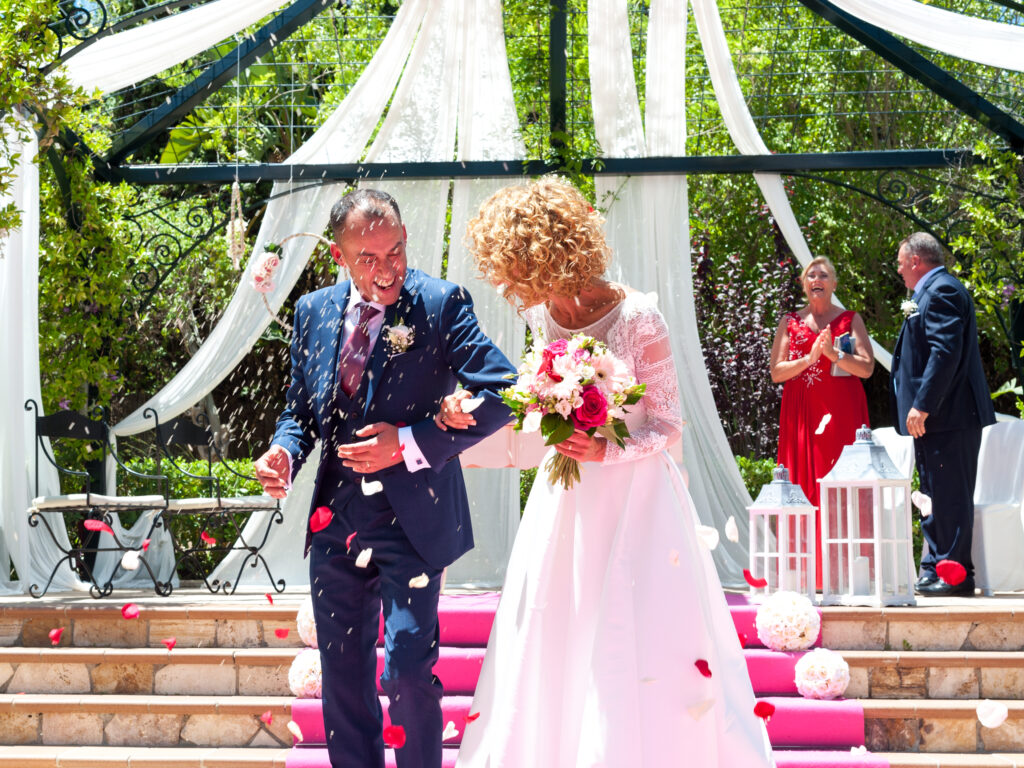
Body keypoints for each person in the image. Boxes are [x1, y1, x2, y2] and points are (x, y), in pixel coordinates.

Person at [443, 177, 775, 768]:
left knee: (638, 630)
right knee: (560, 626)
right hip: (567, 496)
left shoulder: (639, 317)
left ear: (540, 255)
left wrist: (606, 453)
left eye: (511, 268)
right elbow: (542, 394)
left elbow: (669, 426)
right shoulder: (545, 312)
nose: (506, 284)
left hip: (639, 498)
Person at [253, 188, 516, 768]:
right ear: (339, 258)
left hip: (413, 521)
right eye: (367, 259)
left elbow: (503, 391)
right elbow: (300, 409)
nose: (386, 269)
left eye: (394, 251)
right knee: (343, 677)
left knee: (405, 671)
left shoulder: (441, 304)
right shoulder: (312, 311)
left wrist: (413, 442)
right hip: (335, 520)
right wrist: (284, 452)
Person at [890, 232, 995, 597]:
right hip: (940, 419)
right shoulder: (933, 290)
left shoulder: (941, 291)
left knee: (949, 494)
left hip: (949, 415)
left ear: (916, 261)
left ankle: (956, 576)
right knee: (933, 493)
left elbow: (945, 353)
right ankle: (937, 567)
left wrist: (923, 404)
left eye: (902, 263)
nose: (900, 271)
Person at [770, 256, 874, 590]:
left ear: (833, 284)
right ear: (803, 283)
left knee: (840, 485)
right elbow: (776, 372)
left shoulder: (850, 320)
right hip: (802, 413)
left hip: (840, 413)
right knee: (805, 483)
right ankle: (806, 573)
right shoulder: (790, 321)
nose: (817, 278)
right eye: (811, 274)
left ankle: (846, 573)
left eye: (824, 274)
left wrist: (834, 356)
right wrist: (810, 359)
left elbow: (867, 368)